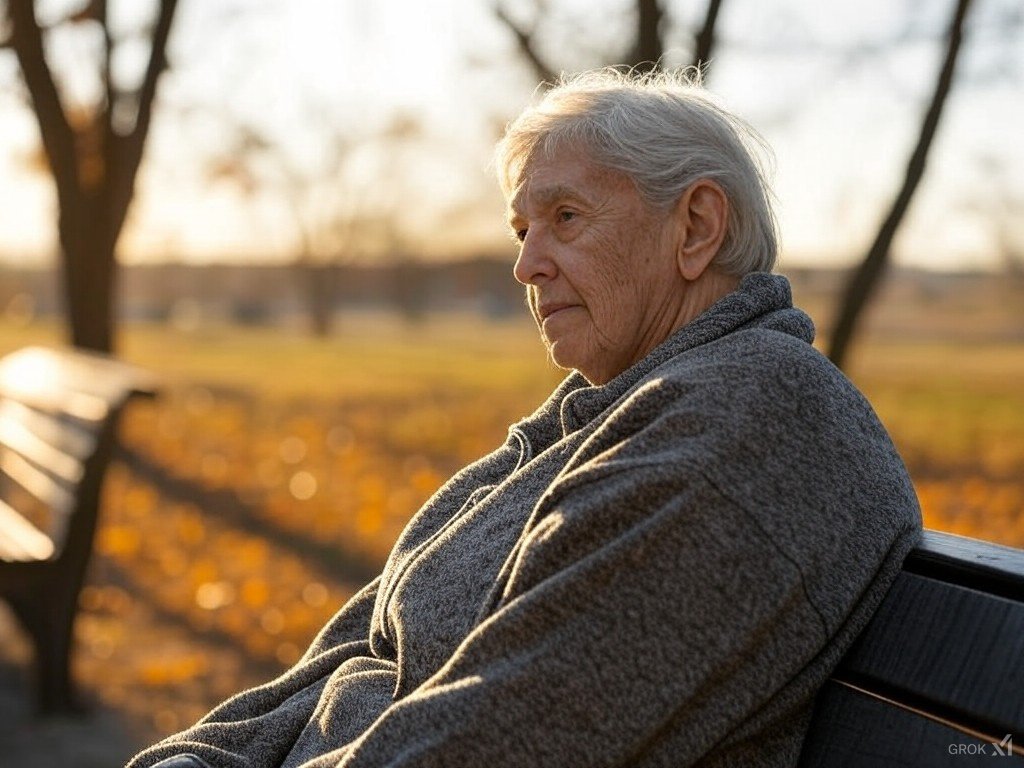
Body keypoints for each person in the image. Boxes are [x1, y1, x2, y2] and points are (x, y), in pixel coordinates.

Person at [128, 69, 921, 768]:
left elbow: (496, 741)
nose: (525, 264)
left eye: (566, 217)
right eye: (521, 228)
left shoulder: (752, 427)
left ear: (696, 227)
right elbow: (359, 654)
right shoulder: (609, 411)